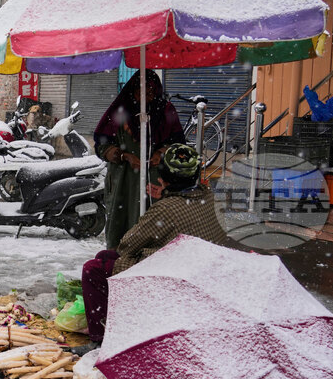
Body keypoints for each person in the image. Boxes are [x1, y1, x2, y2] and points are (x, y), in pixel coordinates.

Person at [80, 144, 228, 343]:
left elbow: (127, 245)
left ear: (163, 177)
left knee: (93, 269)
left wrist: (164, 202)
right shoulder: (210, 197)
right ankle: (120, 319)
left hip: (172, 276)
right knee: (104, 257)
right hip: (197, 267)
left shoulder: (166, 210)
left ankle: (101, 339)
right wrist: (168, 195)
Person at [94, 69, 186, 250]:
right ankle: (120, 265)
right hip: (123, 181)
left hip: (154, 182)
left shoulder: (166, 111)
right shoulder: (119, 111)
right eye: (141, 92)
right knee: (122, 226)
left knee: (152, 228)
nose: (146, 97)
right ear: (132, 90)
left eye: (151, 92)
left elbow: (178, 145)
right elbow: (101, 146)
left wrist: (161, 152)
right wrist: (123, 155)